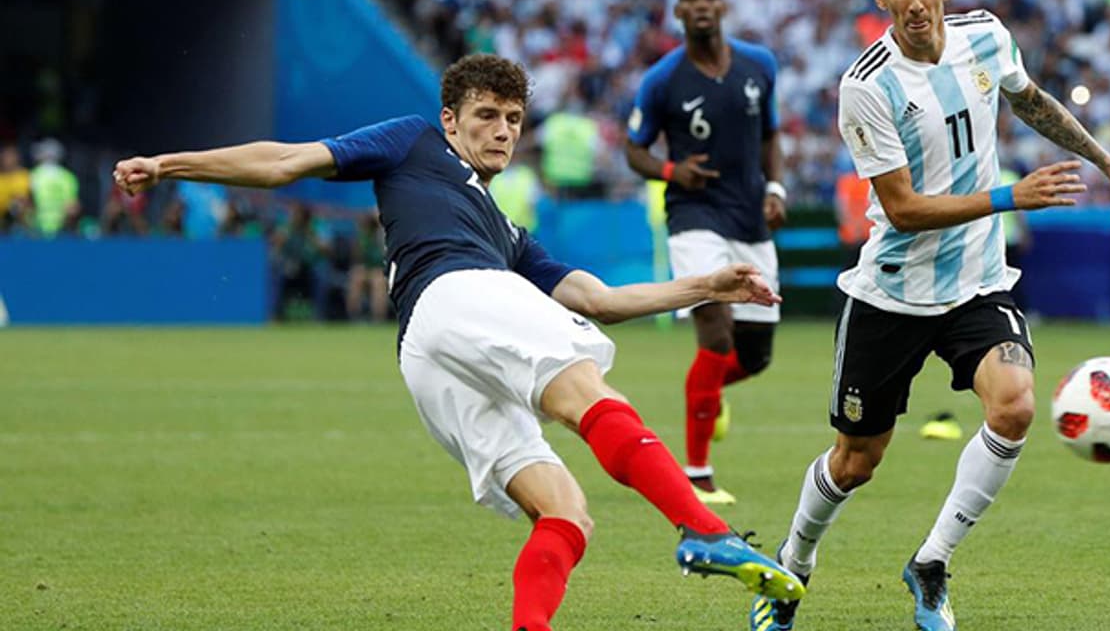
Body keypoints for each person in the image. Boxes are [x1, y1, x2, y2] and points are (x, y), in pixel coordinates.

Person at [113, 54, 805, 631]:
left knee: (564, 510)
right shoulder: (413, 142)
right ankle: (701, 529)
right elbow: (285, 161)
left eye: (513, 119)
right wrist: (170, 165)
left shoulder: (506, 233)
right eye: (486, 115)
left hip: (427, 351)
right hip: (457, 294)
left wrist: (707, 285)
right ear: (450, 120)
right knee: (581, 388)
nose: (502, 131)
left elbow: (599, 300)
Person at [750, 0, 1110, 631]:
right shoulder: (866, 87)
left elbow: (1033, 102)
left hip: (977, 281)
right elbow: (903, 209)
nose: (914, 1)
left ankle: (931, 562)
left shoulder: (986, 38)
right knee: (855, 462)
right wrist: (1008, 198)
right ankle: (792, 565)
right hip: (894, 291)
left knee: (1015, 406)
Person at [624, 0, 787, 505]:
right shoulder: (662, 79)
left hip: (750, 216)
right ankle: (697, 474)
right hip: (693, 214)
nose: (700, 5)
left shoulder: (759, 65)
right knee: (715, 334)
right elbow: (634, 150)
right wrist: (672, 172)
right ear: (678, 11)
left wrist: (776, 188)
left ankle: (705, 391)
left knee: (755, 356)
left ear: (722, 6)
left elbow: (771, 136)